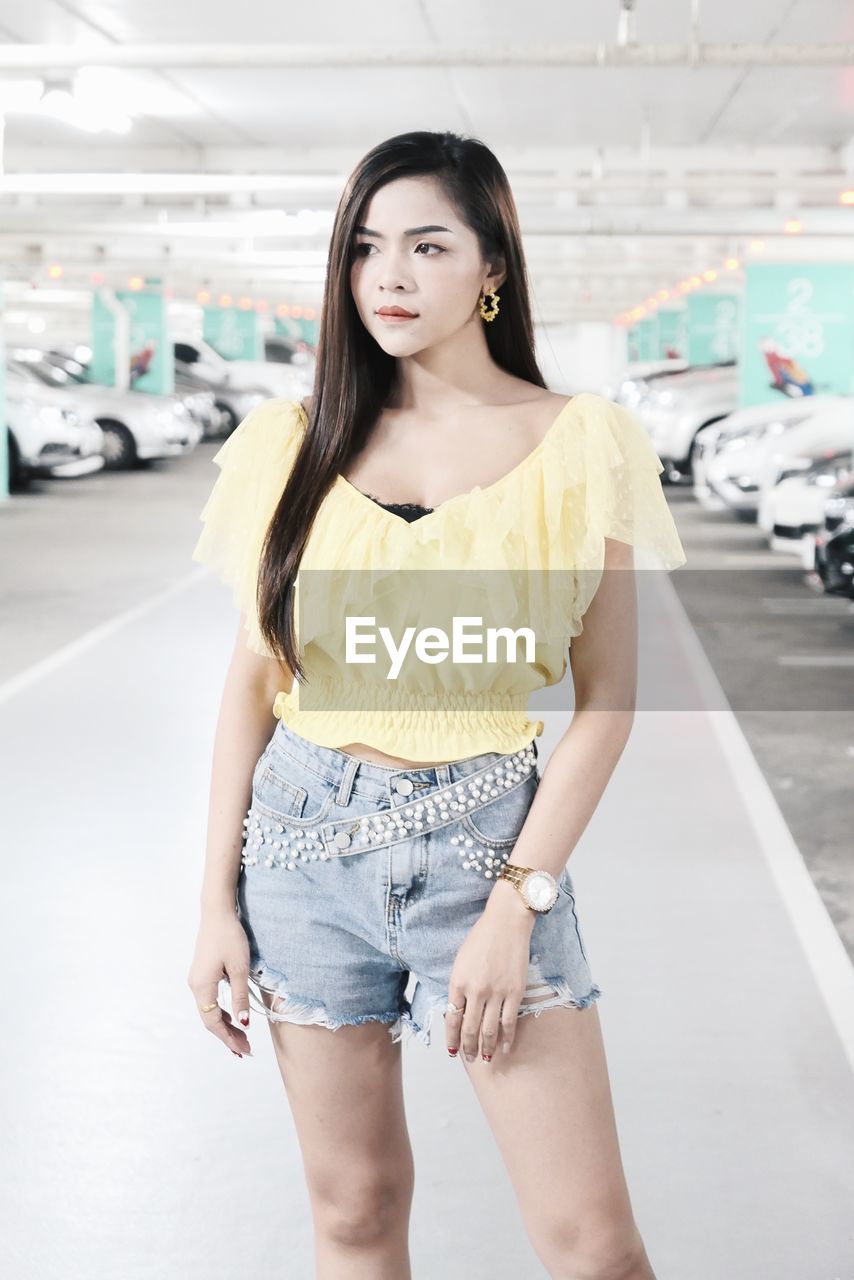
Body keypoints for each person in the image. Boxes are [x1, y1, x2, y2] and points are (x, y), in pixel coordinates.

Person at [187, 129, 686, 1280]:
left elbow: (606, 703)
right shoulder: (292, 441)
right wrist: (214, 900)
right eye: (365, 248)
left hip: (485, 846)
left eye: (425, 244)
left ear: (492, 265)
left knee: (590, 1243)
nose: (389, 277)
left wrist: (513, 907)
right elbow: (256, 678)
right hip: (301, 852)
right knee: (354, 1213)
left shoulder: (578, 442)